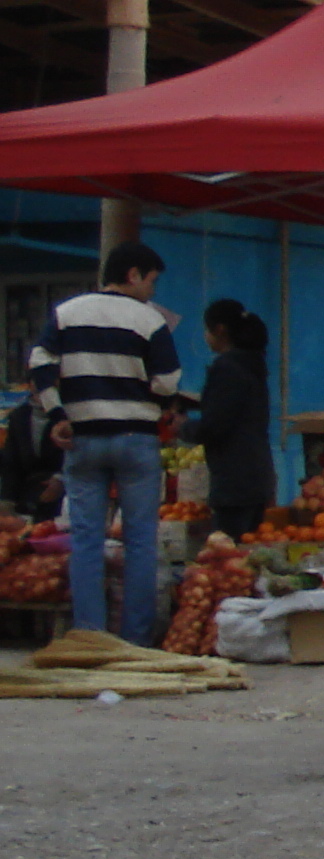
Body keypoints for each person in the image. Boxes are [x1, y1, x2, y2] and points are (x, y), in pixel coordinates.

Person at [37, 241, 183, 647]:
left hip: (82, 440)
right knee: (140, 541)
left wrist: (56, 414)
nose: (153, 291)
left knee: (86, 540)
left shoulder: (66, 313)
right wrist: (149, 401)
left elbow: (39, 360)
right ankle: (133, 641)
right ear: (133, 274)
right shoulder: (149, 319)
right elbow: (168, 380)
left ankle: (89, 636)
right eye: (151, 281)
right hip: (136, 440)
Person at [190, 300, 275, 542]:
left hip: (234, 480)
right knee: (248, 553)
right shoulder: (254, 365)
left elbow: (215, 426)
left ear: (220, 330)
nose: (205, 336)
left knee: (227, 555)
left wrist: (183, 428)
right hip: (257, 475)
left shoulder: (227, 368)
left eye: (206, 329)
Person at [3, 342, 66, 519]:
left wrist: (61, 479)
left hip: (65, 499)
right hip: (27, 496)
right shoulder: (19, 417)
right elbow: (11, 462)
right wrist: (6, 502)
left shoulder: (69, 416)